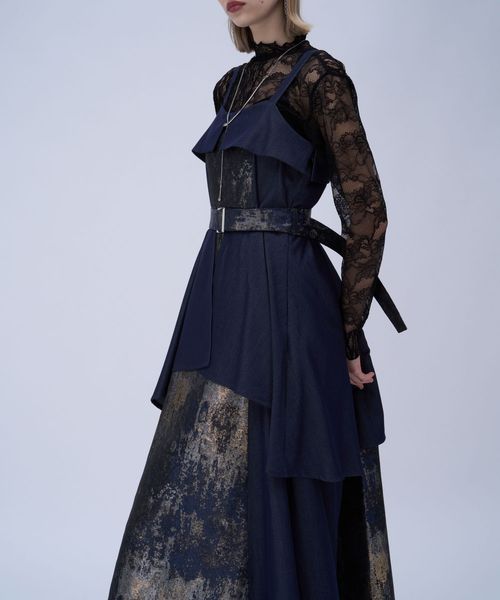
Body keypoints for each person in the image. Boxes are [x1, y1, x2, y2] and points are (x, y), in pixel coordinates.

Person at [107, 1, 407, 598]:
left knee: (279, 460)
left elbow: (367, 212)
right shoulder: (230, 86)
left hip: (288, 298)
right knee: (196, 468)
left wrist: (349, 333)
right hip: (218, 288)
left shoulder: (321, 78)